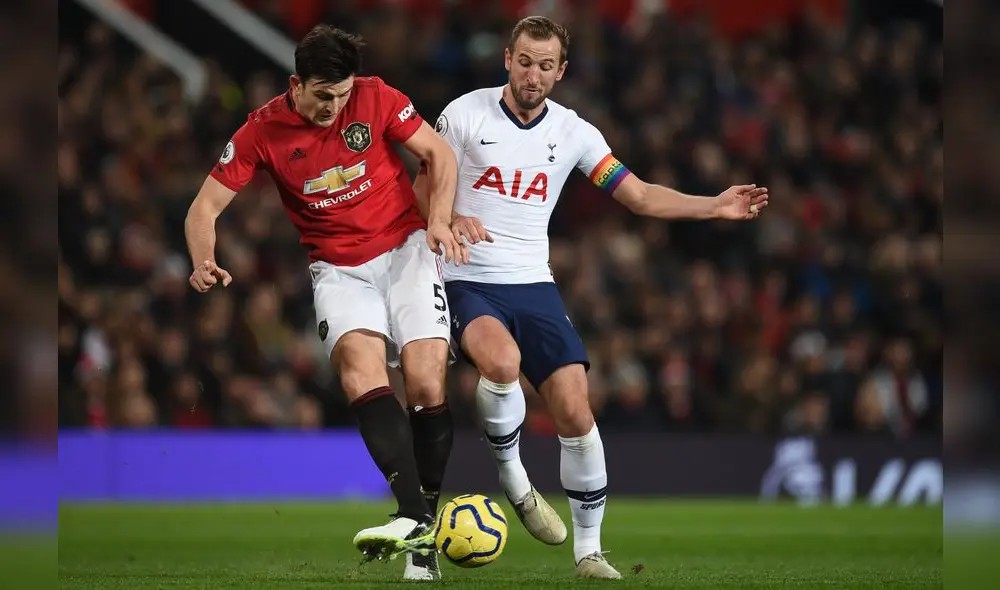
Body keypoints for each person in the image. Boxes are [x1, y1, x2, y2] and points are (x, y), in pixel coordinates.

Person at [413, 16, 769, 580]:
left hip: (534, 283)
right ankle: (515, 479)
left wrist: (715, 205)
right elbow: (420, 187)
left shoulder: (573, 132)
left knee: (576, 409)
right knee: (501, 363)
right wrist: (449, 216)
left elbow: (641, 197)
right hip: (465, 274)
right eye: (525, 61)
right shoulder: (463, 114)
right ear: (507, 59)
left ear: (562, 71)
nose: (534, 74)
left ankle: (589, 552)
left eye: (546, 65)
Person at [184, 24, 463, 577]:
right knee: (362, 376)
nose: (335, 106)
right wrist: (202, 259)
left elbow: (439, 154)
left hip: (406, 247)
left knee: (427, 382)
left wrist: (437, 220)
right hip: (337, 267)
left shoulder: (377, 97)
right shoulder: (261, 130)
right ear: (296, 84)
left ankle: (421, 524)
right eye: (323, 95)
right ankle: (415, 522)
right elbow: (203, 209)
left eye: (342, 94)